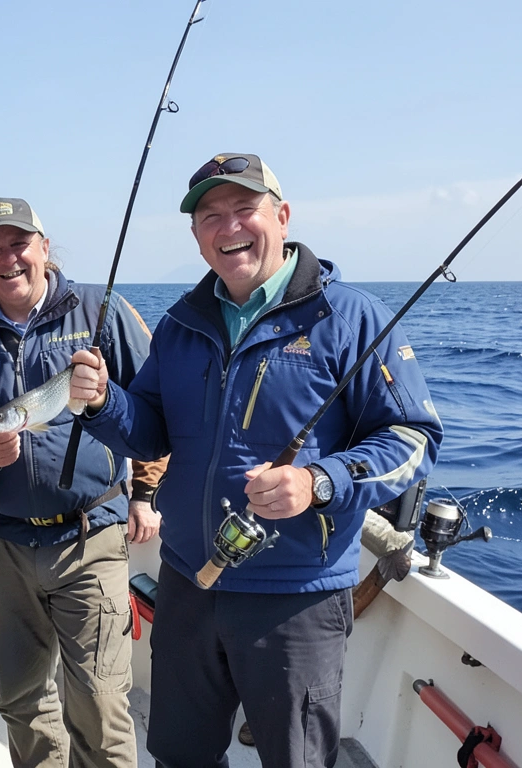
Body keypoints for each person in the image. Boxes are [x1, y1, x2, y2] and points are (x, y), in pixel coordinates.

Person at [69, 153, 444, 768]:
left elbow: (415, 439)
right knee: (178, 754)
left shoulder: (351, 317)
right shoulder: (180, 324)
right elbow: (149, 436)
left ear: (283, 216)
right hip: (189, 582)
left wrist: (318, 481)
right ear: (196, 237)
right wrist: (103, 401)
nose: (229, 227)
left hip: (296, 595)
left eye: (245, 209)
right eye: (210, 216)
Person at [0, 198, 164, 768]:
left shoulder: (102, 309)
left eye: (19, 244)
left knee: (102, 703)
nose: (9, 259)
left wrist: (139, 480)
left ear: (44, 247)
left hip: (91, 538)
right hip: (1, 544)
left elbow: (157, 421)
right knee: (22, 700)